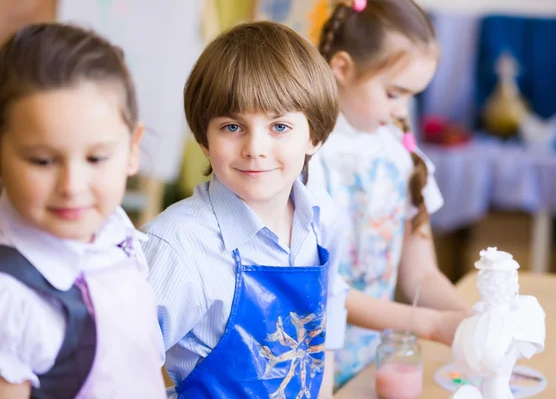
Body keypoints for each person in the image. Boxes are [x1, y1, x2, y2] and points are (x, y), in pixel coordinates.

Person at [143, 20, 467, 398]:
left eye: (279, 127)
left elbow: (326, 321)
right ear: (203, 139)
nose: (255, 148)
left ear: (314, 136)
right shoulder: (177, 246)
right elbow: (120, 366)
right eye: (232, 127)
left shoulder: (321, 217)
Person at [0, 23, 166, 398]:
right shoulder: (12, 300)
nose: (72, 187)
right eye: (43, 161)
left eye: (96, 157)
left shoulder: (113, 228)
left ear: (132, 150)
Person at [311, 0, 471, 386]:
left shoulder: (401, 156)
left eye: (412, 95)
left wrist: (471, 318)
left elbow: (421, 274)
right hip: (310, 373)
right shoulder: (306, 157)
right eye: (394, 92)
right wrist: (430, 324)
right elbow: (326, 292)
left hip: (371, 370)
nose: (403, 109)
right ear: (343, 69)